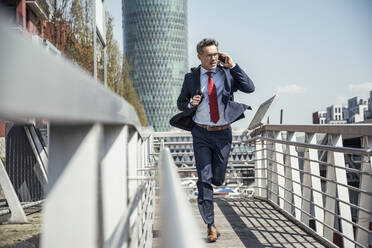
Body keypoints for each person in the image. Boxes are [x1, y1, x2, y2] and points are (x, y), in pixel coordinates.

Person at [170, 38, 255, 242]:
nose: (213, 58)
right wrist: (190, 102)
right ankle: (210, 225)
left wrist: (233, 65)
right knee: (204, 179)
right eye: (209, 55)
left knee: (217, 178)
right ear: (199, 56)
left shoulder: (227, 73)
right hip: (201, 133)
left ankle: (217, 182)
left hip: (223, 133)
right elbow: (181, 103)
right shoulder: (191, 78)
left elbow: (249, 88)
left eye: (216, 54)